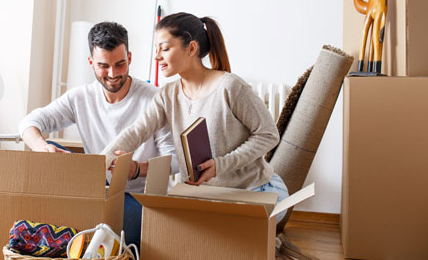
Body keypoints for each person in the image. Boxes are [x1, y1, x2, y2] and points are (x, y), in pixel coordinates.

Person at [101, 12, 289, 223]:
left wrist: (220, 164)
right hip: (202, 195)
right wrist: (101, 162)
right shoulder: (167, 95)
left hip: (255, 190)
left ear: (191, 48)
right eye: (156, 50)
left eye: (164, 48)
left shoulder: (230, 87)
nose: (157, 57)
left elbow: (268, 135)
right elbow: (138, 130)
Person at [18, 21, 178, 248]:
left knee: (111, 226)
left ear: (130, 58)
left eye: (120, 64)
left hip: (139, 197)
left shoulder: (154, 99)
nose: (113, 74)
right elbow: (29, 122)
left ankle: (86, 236)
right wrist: (43, 148)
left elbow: (174, 160)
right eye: (103, 66)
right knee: (48, 148)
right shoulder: (80, 98)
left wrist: (136, 170)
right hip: (97, 191)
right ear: (91, 62)